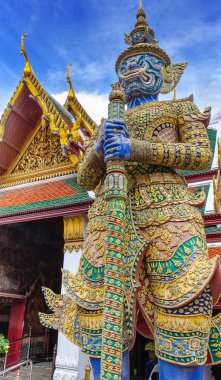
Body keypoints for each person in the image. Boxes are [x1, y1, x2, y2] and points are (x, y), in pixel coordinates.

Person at [40, 2, 221, 379]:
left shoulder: (179, 110)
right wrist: (101, 149)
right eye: (126, 68)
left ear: (166, 75)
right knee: (98, 321)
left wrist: (136, 148)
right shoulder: (109, 121)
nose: (134, 72)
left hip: (167, 218)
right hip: (108, 221)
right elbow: (87, 179)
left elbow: (200, 155)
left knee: (180, 316)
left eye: (145, 66)